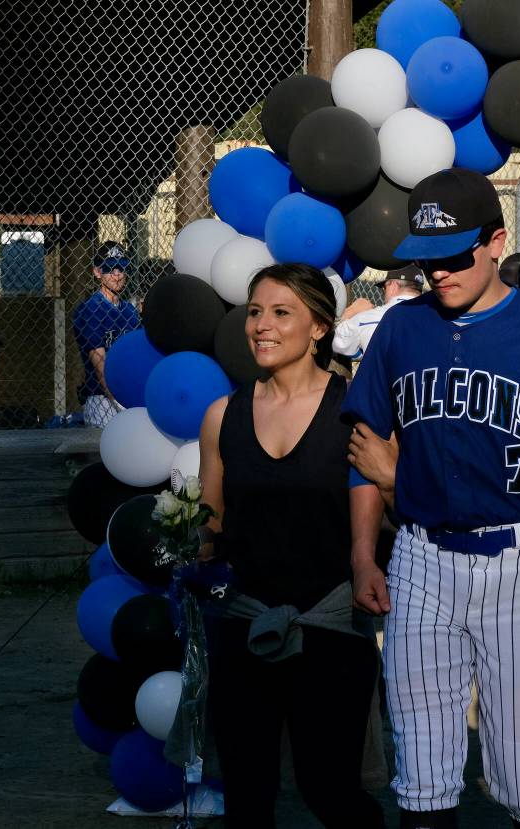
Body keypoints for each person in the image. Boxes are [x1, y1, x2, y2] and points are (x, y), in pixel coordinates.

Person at [342, 168, 520, 829]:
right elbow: (363, 449)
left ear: (496, 242)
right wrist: (361, 552)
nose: (440, 270)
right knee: (423, 777)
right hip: (420, 557)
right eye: (428, 258)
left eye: (456, 254)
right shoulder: (403, 330)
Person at [197, 263, 384, 828]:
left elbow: (374, 506)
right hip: (243, 626)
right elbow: (212, 524)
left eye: (282, 313)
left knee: (329, 790)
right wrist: (182, 549)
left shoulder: (357, 408)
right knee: (246, 797)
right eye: (255, 312)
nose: (261, 326)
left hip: (329, 629)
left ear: (320, 328)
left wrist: (365, 563)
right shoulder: (221, 416)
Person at [72, 241, 140, 427]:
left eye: (121, 268)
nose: (117, 275)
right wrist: (123, 403)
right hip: (101, 396)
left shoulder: (129, 311)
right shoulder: (92, 309)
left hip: (131, 389)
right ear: (97, 272)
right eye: (110, 269)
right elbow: (100, 367)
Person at [332, 264, 426, 360]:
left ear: (393, 286)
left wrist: (352, 311)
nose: (384, 294)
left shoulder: (367, 318)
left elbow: (337, 342)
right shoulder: (434, 316)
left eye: (385, 288)